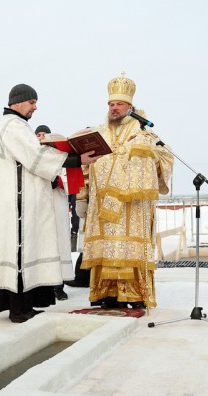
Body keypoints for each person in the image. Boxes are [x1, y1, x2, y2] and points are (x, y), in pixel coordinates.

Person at [0, 84, 102, 323]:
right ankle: (18, 309)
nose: (35, 108)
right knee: (20, 254)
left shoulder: (18, 126)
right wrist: (75, 159)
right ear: (17, 102)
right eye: (32, 102)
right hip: (17, 207)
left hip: (25, 204)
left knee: (27, 253)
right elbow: (34, 156)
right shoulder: (11, 126)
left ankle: (25, 304)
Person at [77, 73, 173, 310]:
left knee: (129, 248)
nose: (114, 108)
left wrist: (141, 154)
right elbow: (86, 166)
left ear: (130, 107)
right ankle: (105, 295)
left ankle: (133, 295)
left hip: (132, 208)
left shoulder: (143, 132)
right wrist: (82, 196)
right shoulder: (98, 132)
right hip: (102, 207)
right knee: (105, 247)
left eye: (119, 104)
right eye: (111, 104)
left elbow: (165, 156)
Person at [34, 124, 70, 301]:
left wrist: (58, 181)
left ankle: (59, 285)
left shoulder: (59, 156)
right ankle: (42, 285)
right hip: (40, 208)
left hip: (57, 204)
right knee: (42, 244)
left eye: (44, 135)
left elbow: (69, 178)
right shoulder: (32, 156)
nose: (41, 138)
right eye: (38, 135)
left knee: (58, 244)